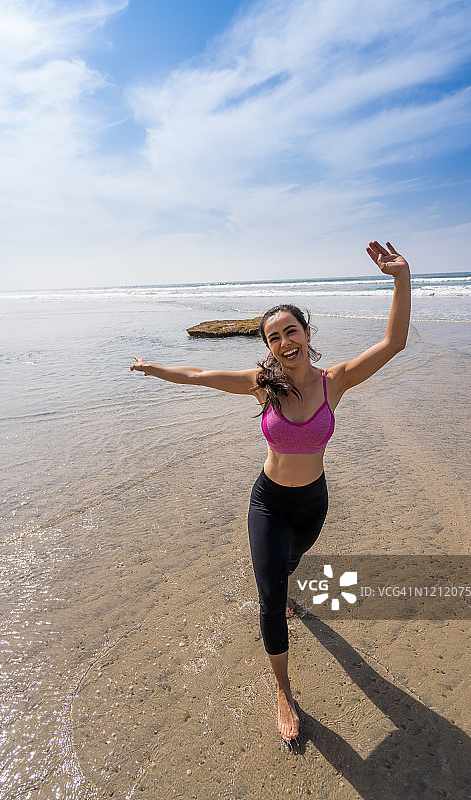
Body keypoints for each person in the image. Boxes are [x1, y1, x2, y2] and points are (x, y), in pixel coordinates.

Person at [130, 240, 411, 744]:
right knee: (270, 594)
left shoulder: (335, 381)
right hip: (269, 502)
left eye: (291, 331)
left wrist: (401, 278)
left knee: (290, 563)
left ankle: (282, 582)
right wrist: (155, 369)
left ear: (306, 333)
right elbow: (198, 375)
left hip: (313, 504)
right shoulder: (263, 385)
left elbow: (393, 343)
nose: (285, 342)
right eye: (274, 337)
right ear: (268, 346)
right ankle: (283, 690)